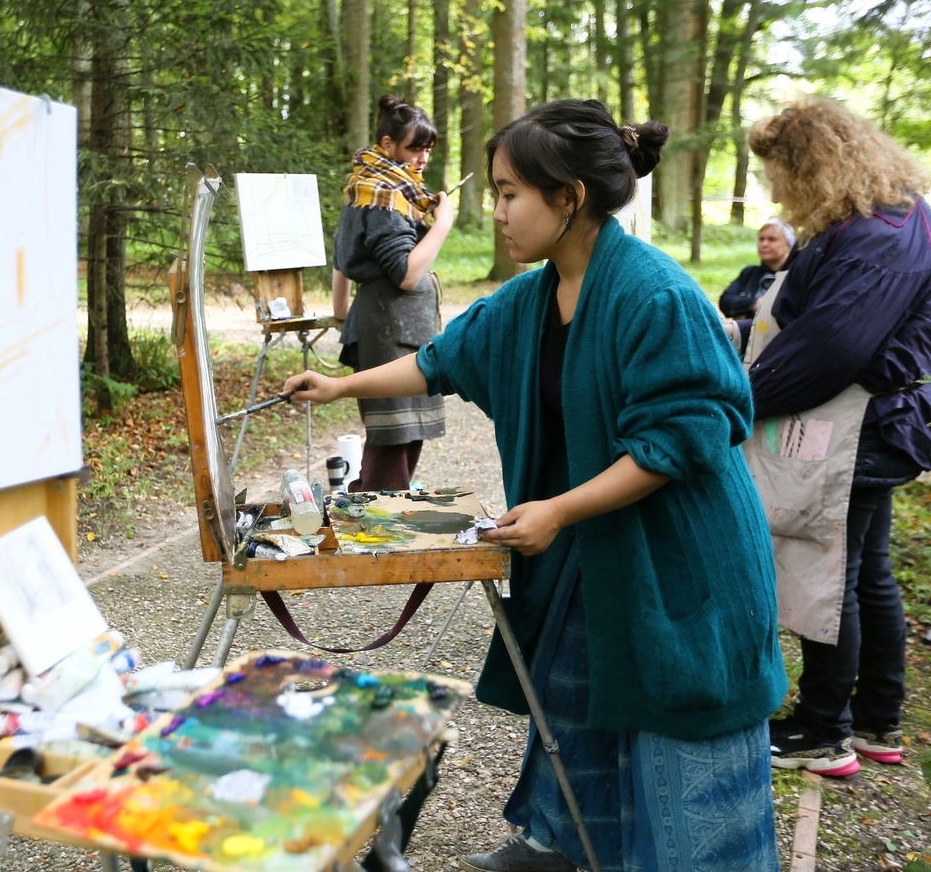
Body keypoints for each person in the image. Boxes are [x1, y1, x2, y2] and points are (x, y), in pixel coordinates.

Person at [286, 99, 786, 871]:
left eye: (511, 193)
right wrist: (336, 387)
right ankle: (570, 844)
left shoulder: (655, 294)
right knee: (580, 696)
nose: (498, 212)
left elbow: (680, 439)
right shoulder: (531, 296)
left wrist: (558, 510)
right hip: (595, 552)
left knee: (680, 721)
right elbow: (439, 360)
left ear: (570, 197)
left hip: (682, 561)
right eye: (495, 192)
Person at [743, 97, 931, 775]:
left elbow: (828, 348)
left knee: (835, 576)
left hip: (864, 428)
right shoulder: (891, 215)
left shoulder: (878, 234)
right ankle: (878, 719)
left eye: (778, 173)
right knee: (870, 572)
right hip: (883, 424)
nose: (773, 190)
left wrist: (736, 402)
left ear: (812, 165)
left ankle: (824, 729)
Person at [331, 95, 453, 491]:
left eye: (428, 149)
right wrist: (442, 225)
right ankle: (377, 532)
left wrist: (341, 312)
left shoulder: (368, 186)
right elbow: (405, 274)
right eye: (415, 148)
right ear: (388, 145)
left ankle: (378, 525)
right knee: (393, 440)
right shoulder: (386, 196)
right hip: (389, 331)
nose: (422, 159)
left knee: (403, 440)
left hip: (389, 326)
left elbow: (341, 256)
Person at [718, 217, 796, 320]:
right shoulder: (749, 273)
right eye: (761, 239)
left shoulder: (794, 275)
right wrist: (756, 303)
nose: (764, 244)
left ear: (789, 244)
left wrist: (744, 313)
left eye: (772, 239)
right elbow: (725, 302)